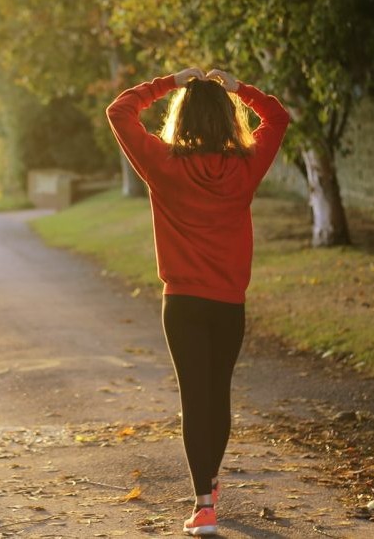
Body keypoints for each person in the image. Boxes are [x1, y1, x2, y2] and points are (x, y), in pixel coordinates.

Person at [106, 67, 290, 536]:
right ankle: (208, 486)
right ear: (229, 120)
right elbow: (278, 116)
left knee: (195, 397)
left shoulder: (163, 163)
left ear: (181, 118)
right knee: (218, 394)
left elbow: (119, 110)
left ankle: (204, 504)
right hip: (229, 303)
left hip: (182, 303)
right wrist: (239, 89)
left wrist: (170, 81)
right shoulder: (246, 165)